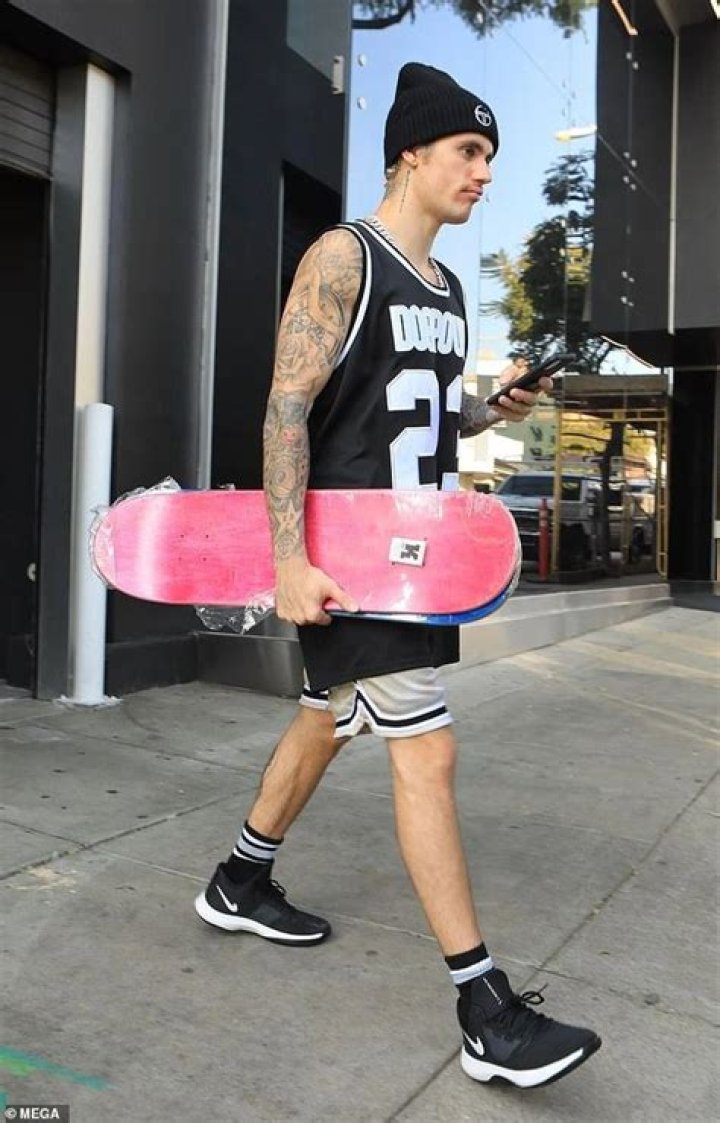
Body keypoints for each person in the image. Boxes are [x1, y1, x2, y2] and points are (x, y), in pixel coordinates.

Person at [195, 62, 601, 1089]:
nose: (483, 172)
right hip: (350, 560)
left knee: (327, 719)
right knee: (428, 749)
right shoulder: (346, 257)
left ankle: (240, 877)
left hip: (420, 564)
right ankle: (485, 1009)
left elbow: (408, 410)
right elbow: (289, 407)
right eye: (469, 151)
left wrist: (488, 410)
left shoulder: (449, 288)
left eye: (490, 156)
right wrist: (289, 560)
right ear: (412, 151)